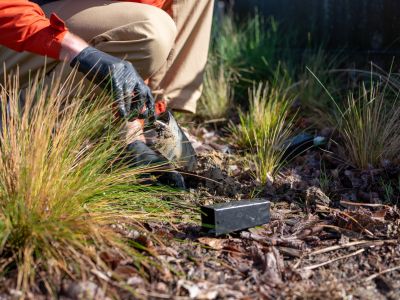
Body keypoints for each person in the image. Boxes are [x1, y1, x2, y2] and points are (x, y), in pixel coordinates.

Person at [0, 0, 215, 187]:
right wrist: (77, 50)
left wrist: (135, 121)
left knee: (156, 23)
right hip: (13, 31)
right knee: (150, 30)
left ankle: (153, 120)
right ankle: (24, 110)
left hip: (49, 24)